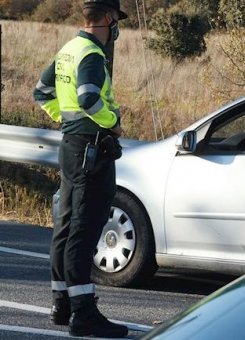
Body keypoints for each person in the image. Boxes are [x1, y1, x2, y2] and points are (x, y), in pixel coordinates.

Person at [33, 0, 128, 337]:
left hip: (72, 147)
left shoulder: (68, 49)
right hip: (90, 149)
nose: (117, 26)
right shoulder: (90, 53)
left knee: (67, 225)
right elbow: (89, 98)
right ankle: (83, 314)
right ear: (108, 17)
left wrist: (66, 120)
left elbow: (42, 92)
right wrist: (112, 122)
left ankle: (62, 303)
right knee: (84, 229)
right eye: (117, 19)